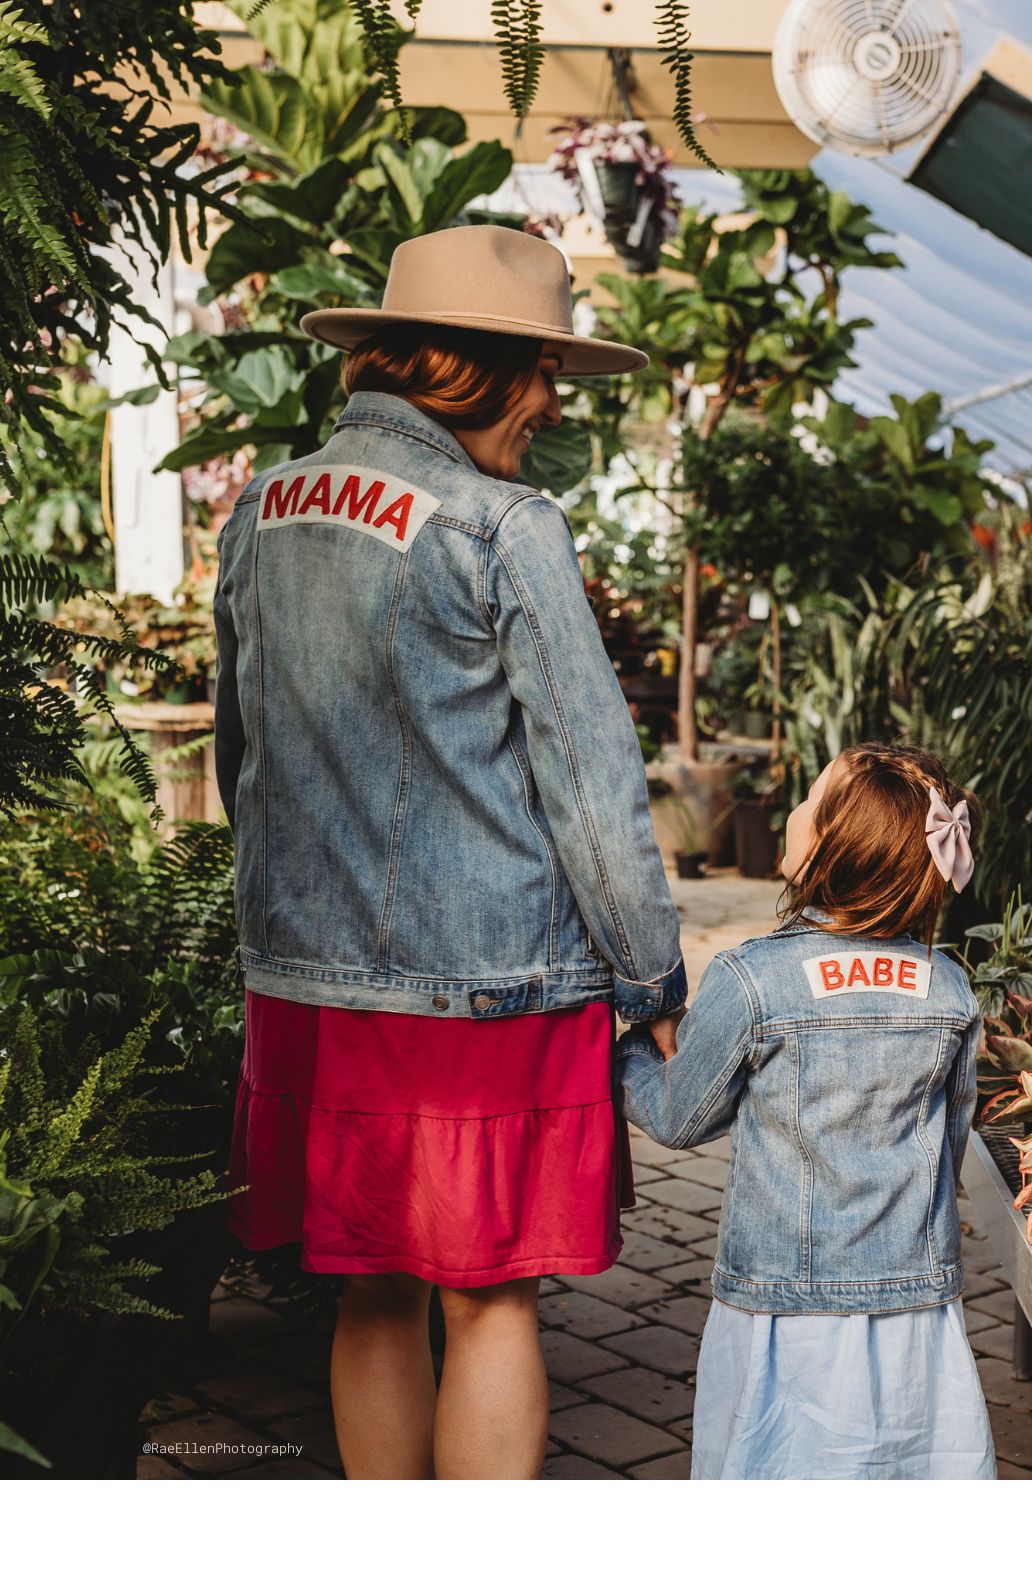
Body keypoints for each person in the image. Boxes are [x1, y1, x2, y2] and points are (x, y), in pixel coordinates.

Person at [212, 226, 686, 1480]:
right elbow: (589, 783)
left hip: (307, 985)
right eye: (536, 369)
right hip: (487, 991)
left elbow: (238, 755)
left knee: (369, 1291)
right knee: (490, 1302)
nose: (547, 401)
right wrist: (653, 977)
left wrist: (279, 933)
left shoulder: (264, 507)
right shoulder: (505, 523)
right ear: (464, 366)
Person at [619, 742, 996, 1480]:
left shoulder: (752, 979)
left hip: (782, 1310)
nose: (790, 807)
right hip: (914, 1303)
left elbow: (678, 1117)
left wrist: (631, 1045)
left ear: (827, 843)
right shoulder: (950, 988)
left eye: (809, 796)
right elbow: (951, 1139)